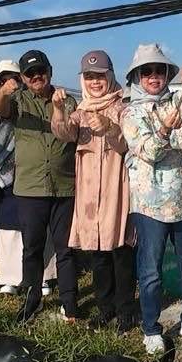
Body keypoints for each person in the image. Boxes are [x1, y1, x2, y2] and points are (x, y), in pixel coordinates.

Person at [123, 44, 182, 354]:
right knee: (150, 269)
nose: (153, 76)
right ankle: (150, 327)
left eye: (159, 70)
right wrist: (165, 127)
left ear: (167, 74)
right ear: (137, 76)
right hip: (150, 204)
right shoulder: (131, 112)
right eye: (146, 71)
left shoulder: (181, 98)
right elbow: (148, 150)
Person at [50, 50, 136, 332]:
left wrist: (111, 127)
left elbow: (126, 144)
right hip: (88, 196)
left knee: (121, 251)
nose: (95, 82)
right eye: (89, 76)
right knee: (97, 253)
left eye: (100, 76)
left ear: (110, 76)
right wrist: (59, 109)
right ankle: (105, 308)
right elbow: (64, 133)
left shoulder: (124, 108)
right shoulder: (81, 112)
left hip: (117, 190)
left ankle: (125, 310)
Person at [0, 49, 79, 322]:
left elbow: (71, 129)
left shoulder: (66, 99)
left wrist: (58, 107)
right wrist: (4, 91)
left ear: (50, 71)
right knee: (32, 247)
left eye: (40, 71)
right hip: (29, 188)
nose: (36, 76)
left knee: (65, 248)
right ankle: (31, 299)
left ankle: (69, 301)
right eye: (29, 73)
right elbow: (0, 109)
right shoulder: (17, 101)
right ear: (23, 77)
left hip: (64, 185)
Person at [0, 60, 58, 296]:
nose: (10, 83)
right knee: (9, 226)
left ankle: (44, 276)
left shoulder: (28, 101)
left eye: (15, 77)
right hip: (5, 175)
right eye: (4, 79)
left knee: (39, 227)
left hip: (33, 172)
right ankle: (10, 277)